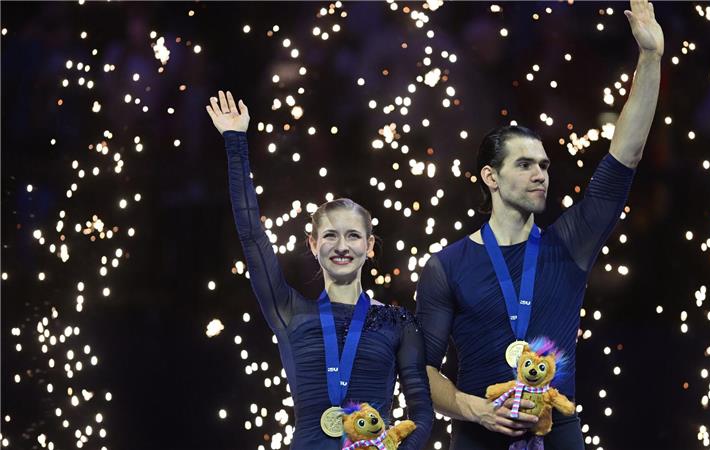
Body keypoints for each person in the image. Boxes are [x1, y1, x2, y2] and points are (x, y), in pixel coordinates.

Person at [415, 1, 663, 448]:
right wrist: (478, 410)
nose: (540, 175)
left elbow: (625, 155)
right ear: (491, 177)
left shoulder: (569, 246)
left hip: (558, 434)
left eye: (544, 166)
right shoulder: (447, 265)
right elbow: (422, 372)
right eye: (525, 164)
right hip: (477, 435)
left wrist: (650, 58)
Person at [206, 91, 432, 449]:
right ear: (312, 244)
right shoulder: (290, 312)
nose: (342, 246)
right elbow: (251, 236)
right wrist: (236, 142)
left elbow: (421, 414)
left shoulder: (398, 323)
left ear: (370, 247)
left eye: (353, 236)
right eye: (330, 235)